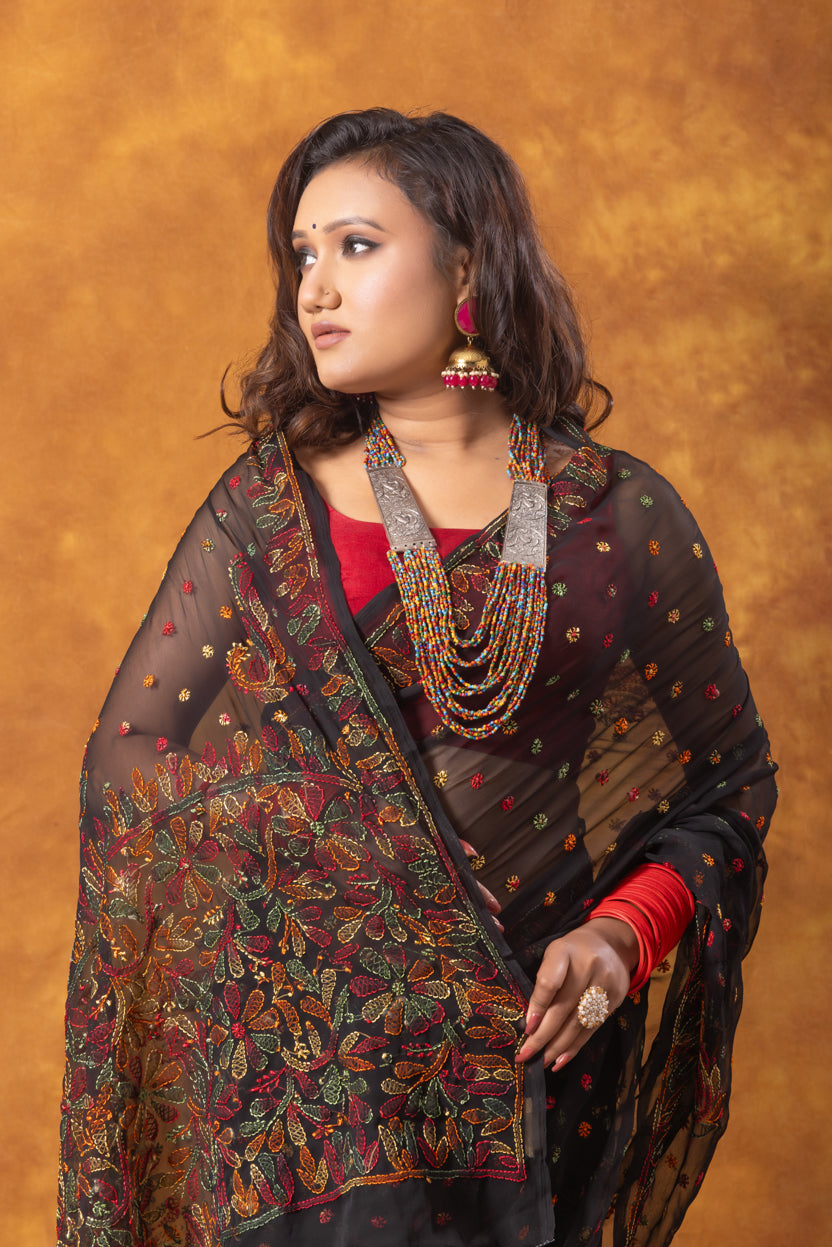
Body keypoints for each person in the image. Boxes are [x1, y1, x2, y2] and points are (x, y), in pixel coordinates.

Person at [57, 109, 776, 1247]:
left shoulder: (613, 513)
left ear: (468, 265)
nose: (313, 289)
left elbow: (725, 783)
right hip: (320, 1096)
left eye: (353, 244)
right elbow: (130, 764)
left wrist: (623, 933)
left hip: (537, 1065)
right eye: (301, 254)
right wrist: (362, 871)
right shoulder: (267, 512)